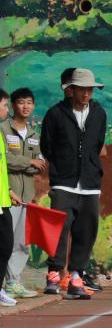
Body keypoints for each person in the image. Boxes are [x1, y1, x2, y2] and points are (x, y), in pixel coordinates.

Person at [40, 68, 109, 299]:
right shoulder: (55, 113)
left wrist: (90, 165)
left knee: (86, 230)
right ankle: (53, 273)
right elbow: (46, 145)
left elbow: (97, 143)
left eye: (90, 89)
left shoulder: (99, 114)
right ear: (71, 90)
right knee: (59, 227)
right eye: (81, 89)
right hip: (63, 181)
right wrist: (62, 165)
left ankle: (77, 275)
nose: (86, 93)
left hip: (90, 182)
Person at [1, 87, 42, 298]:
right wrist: (29, 162)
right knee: (5, 241)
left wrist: (30, 164)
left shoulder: (34, 134)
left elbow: (40, 164)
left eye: (29, 102)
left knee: (22, 242)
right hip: (8, 195)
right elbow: (5, 160)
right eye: (20, 102)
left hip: (27, 196)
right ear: (13, 106)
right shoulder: (3, 129)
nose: (25, 106)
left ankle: (13, 282)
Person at [0, 90, 17, 306]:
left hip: (3, 200)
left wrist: (9, 190)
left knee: (5, 245)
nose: (7, 109)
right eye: (4, 105)